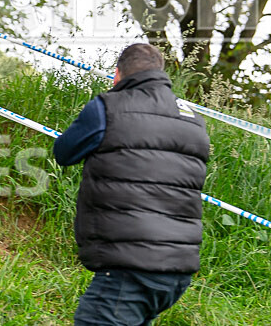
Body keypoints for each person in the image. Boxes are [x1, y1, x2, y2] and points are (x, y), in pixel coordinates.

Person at [53, 43, 210, 326]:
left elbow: (64, 152)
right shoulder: (194, 120)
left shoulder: (108, 107)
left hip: (130, 266)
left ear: (117, 74)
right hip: (177, 270)